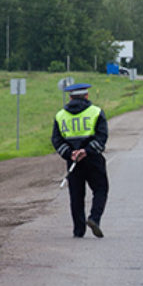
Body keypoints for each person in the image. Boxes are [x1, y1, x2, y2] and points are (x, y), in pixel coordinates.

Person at [51, 83, 109, 238]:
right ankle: (94, 218)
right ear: (87, 96)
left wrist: (70, 153)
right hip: (93, 159)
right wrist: (87, 151)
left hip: (73, 161)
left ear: (70, 97)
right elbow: (102, 137)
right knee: (100, 189)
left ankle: (78, 230)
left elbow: (56, 140)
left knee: (76, 195)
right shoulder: (96, 112)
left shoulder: (60, 115)